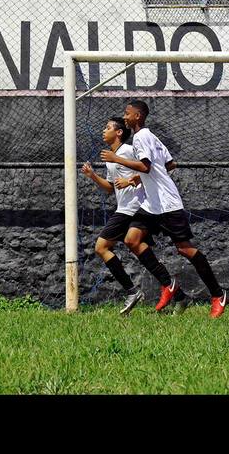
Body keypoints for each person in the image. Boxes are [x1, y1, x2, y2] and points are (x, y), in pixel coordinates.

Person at [102, 99, 229, 318]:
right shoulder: (152, 136)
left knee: (185, 249)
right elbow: (169, 164)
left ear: (138, 116)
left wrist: (117, 159)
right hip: (151, 204)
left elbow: (146, 166)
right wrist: (138, 178)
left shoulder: (141, 137)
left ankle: (218, 294)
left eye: (127, 114)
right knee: (132, 240)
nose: (125, 117)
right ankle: (168, 285)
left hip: (167, 203)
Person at [80, 116, 170, 315]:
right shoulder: (113, 157)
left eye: (107, 127)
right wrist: (93, 175)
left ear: (118, 132)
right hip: (126, 208)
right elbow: (111, 189)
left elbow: (150, 169)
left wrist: (131, 181)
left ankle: (131, 291)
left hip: (131, 209)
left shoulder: (128, 151)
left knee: (101, 247)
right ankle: (176, 292)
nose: (104, 131)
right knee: (141, 251)